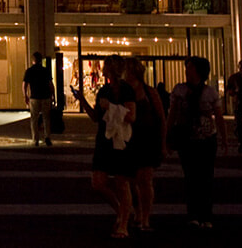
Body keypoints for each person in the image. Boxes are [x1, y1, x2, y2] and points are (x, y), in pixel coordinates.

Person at [71, 54, 136, 239]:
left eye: (106, 65)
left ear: (113, 68)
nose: (103, 68)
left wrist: (111, 107)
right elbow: (95, 117)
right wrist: (82, 100)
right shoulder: (103, 91)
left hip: (120, 140)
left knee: (122, 183)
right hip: (104, 139)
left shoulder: (126, 90)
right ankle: (122, 211)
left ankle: (123, 224)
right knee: (98, 183)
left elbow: (132, 116)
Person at [166, 56, 227, 229]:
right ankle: (194, 214)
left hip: (207, 138)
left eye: (190, 67)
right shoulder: (179, 90)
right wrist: (168, 135)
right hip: (187, 138)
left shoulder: (209, 92)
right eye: (187, 67)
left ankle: (205, 215)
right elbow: (172, 115)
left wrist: (224, 138)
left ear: (199, 71)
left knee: (206, 177)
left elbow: (219, 117)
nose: (187, 70)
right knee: (191, 177)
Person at [124, 58, 165, 231]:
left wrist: (163, 143)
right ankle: (138, 211)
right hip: (129, 140)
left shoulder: (149, 92)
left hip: (147, 139)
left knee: (145, 179)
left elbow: (162, 119)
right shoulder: (124, 93)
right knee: (131, 180)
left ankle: (145, 216)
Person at [22, 51, 55, 147]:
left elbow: (24, 85)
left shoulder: (29, 71)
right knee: (46, 118)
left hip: (34, 97)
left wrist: (25, 96)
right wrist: (53, 95)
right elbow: (50, 84)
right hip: (45, 97)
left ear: (33, 60)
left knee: (34, 119)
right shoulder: (45, 71)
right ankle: (47, 137)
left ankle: (35, 139)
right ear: (41, 60)